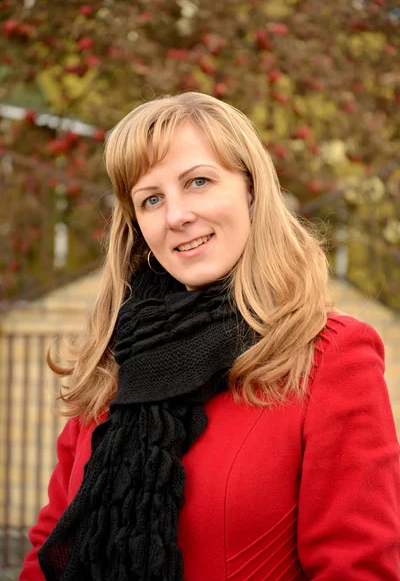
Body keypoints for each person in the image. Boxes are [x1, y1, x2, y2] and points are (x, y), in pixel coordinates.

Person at [20, 91, 400, 581]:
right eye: (151, 198)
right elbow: (50, 547)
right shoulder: (116, 362)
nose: (176, 215)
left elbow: (356, 568)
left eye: (198, 181)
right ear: (138, 225)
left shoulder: (329, 354)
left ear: (251, 190)